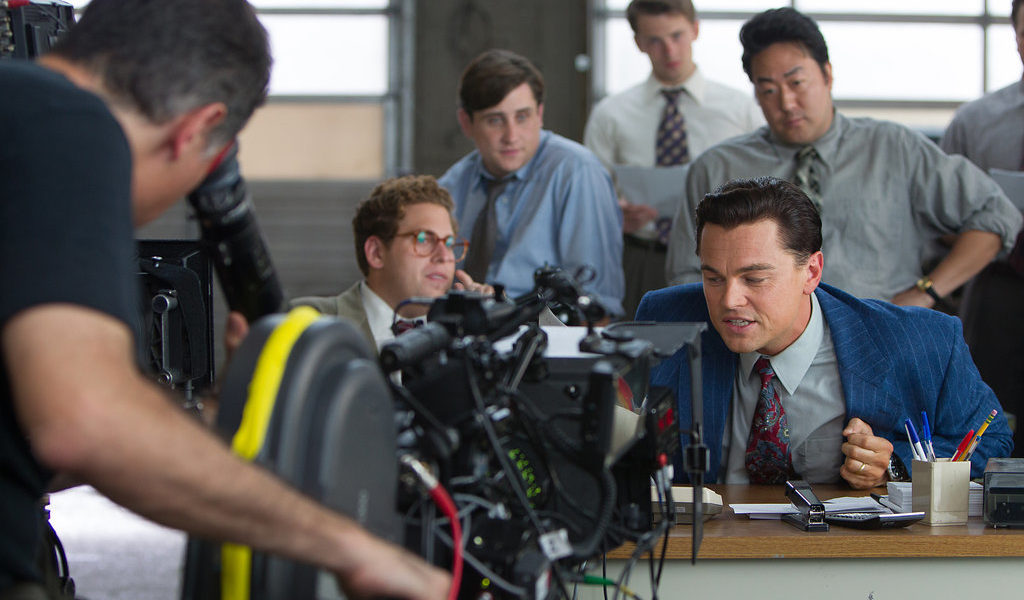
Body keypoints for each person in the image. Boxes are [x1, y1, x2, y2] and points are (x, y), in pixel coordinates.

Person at [0, 1, 449, 598]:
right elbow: (84, 423)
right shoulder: (71, 126)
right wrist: (351, 546)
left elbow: (38, 439)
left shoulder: (20, 118)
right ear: (196, 130)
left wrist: (213, 422)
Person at [638, 177, 1011, 488]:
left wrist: (895, 465)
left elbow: (991, 444)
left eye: (755, 279)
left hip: (850, 550)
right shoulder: (667, 318)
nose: (729, 300)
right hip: (707, 545)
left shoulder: (921, 340)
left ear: (812, 272)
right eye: (713, 278)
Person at [664, 7, 1022, 309]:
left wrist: (926, 291)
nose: (786, 103)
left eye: (797, 83)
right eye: (768, 90)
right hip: (757, 354)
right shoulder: (718, 168)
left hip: (879, 338)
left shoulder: (893, 147)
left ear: (827, 74)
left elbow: (995, 215)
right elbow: (684, 277)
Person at [583, 0, 764, 317]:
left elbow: (769, 187)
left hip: (724, 259)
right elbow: (591, 198)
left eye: (676, 36)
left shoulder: (740, 110)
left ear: (695, 29)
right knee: (636, 345)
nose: (669, 50)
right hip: (641, 256)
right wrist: (615, 214)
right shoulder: (611, 114)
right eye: (655, 40)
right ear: (639, 43)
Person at [439, 49, 626, 318]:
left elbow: (597, 304)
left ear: (539, 114)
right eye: (495, 120)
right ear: (466, 123)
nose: (511, 136)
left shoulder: (577, 172)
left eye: (522, 117)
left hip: (546, 333)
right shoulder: (452, 185)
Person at [940, 0, 1024, 457]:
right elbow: (940, 221)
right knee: (989, 420)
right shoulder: (976, 121)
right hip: (997, 289)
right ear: (1015, 37)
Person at [291, 175, 491, 352]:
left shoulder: (461, 335)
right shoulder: (310, 321)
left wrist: (489, 323)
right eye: (423, 239)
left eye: (449, 243)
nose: (444, 256)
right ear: (376, 253)